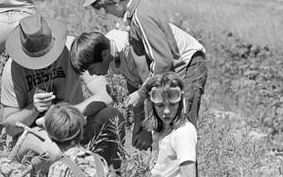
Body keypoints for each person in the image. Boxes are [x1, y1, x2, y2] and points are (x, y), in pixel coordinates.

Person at [0, 13, 126, 175]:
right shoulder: (13, 69)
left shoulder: (72, 49)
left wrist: (66, 116)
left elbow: (105, 95)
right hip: (37, 133)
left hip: (75, 125)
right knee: (54, 152)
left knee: (112, 117)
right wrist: (33, 109)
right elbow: (10, 128)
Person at [83, 0, 207, 124]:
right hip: (172, 71)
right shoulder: (134, 14)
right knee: (167, 126)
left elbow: (162, 63)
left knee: (182, 126)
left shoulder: (141, 17)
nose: (106, 12)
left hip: (188, 66)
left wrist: (141, 94)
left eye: (104, 6)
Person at [70, 26, 207, 149]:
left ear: (104, 54)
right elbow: (134, 81)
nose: (92, 74)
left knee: (182, 127)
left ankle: (186, 167)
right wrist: (139, 121)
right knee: (166, 132)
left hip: (187, 62)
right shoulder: (110, 51)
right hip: (162, 75)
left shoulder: (129, 46)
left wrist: (148, 128)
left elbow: (150, 83)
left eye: (91, 68)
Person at [113, 72, 197, 177]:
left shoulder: (183, 133)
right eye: (160, 106)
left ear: (181, 102)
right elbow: (165, 175)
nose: (166, 111)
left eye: (172, 105)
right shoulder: (164, 129)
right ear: (152, 104)